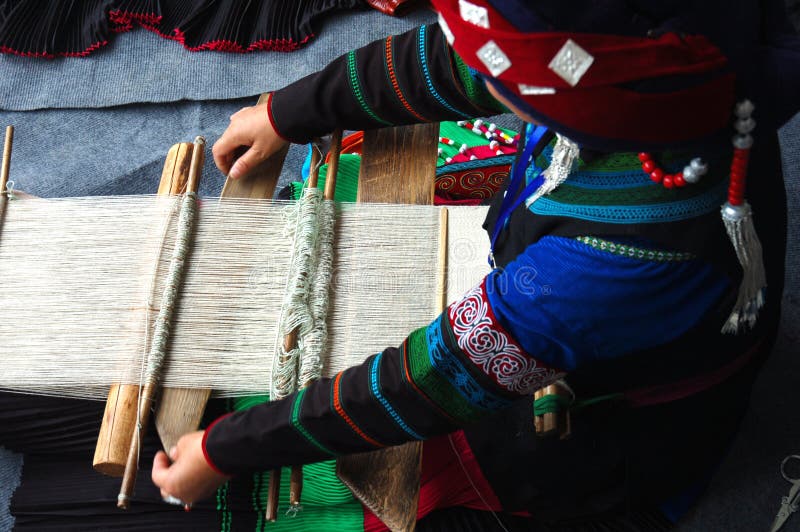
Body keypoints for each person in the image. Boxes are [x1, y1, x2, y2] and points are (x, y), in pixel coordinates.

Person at [149, 0, 800, 529]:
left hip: (616, 422)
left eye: (504, 82)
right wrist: (286, 112)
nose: (477, 73)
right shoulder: (661, 74)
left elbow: (432, 381)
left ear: (586, 103)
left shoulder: (615, 265)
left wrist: (226, 450)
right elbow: (463, 58)